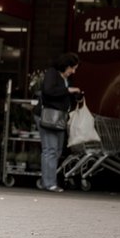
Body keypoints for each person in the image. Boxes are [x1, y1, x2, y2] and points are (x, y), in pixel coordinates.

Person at [39, 52, 81, 192]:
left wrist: (76, 96)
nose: (73, 72)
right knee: (50, 150)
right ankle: (49, 183)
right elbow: (48, 90)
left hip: (60, 117)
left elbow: (64, 94)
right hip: (49, 116)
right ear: (66, 65)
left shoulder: (66, 79)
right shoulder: (52, 73)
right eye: (72, 68)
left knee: (56, 150)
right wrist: (68, 90)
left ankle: (48, 181)